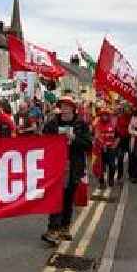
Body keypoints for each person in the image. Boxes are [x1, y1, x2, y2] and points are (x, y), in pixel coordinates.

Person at [41, 96, 92, 246]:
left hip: (73, 166)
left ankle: (64, 227)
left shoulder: (81, 125)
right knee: (56, 197)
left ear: (73, 108)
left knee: (68, 198)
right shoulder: (52, 123)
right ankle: (53, 229)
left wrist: (74, 138)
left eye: (67, 106)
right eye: (62, 105)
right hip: (56, 165)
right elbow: (44, 139)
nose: (64, 108)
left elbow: (88, 144)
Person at [93, 107, 118, 188]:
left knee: (112, 165)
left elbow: (118, 136)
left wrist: (115, 145)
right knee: (101, 166)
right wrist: (101, 143)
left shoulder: (113, 123)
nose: (104, 117)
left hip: (111, 148)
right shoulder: (97, 124)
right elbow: (96, 135)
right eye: (103, 115)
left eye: (106, 115)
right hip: (100, 149)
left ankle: (111, 179)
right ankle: (101, 182)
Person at [114, 103, 131, 183]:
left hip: (130, 139)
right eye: (126, 108)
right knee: (120, 158)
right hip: (121, 140)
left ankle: (131, 174)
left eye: (129, 109)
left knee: (132, 157)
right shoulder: (120, 117)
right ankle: (120, 175)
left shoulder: (132, 118)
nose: (127, 110)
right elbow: (117, 128)